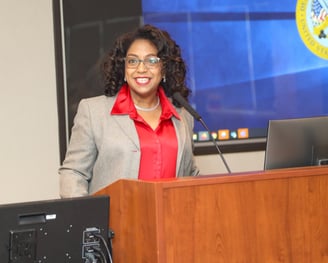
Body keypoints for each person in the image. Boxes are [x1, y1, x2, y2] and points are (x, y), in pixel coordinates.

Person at [59, 24, 200, 198]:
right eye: (133, 61)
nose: (141, 69)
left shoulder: (183, 116)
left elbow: (190, 174)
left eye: (151, 61)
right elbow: (74, 173)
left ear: (164, 68)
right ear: (124, 69)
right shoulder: (93, 112)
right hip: (116, 224)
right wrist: (90, 221)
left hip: (172, 222)